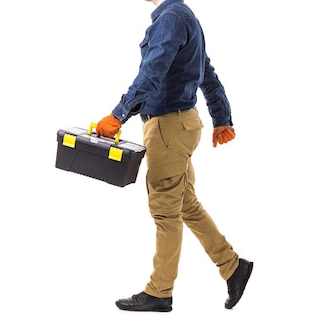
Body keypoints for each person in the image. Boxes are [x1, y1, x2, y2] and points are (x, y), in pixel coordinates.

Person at [95, 0, 253, 312]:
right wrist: (222, 118)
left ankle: (159, 292)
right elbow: (207, 74)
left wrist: (118, 114)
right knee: (186, 204)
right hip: (181, 124)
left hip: (167, 126)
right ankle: (233, 267)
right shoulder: (185, 17)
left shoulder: (170, 19)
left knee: (165, 209)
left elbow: (152, 72)